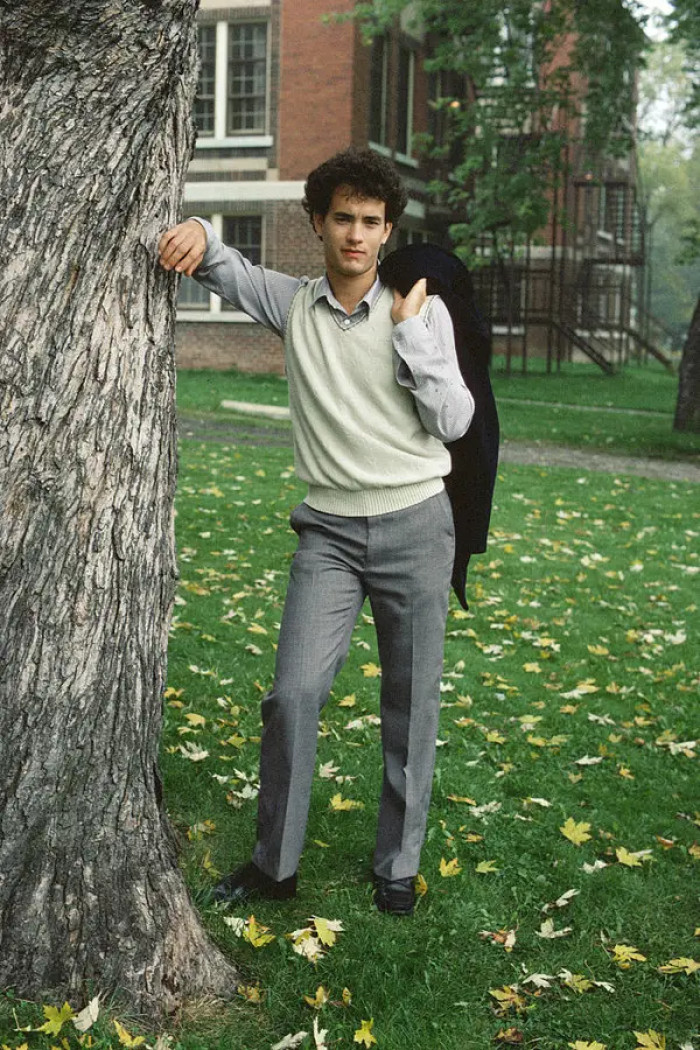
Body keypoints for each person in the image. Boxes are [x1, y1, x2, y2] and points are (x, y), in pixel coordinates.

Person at [158, 148, 474, 916]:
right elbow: (222, 264)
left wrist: (410, 337)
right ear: (317, 224)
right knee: (293, 694)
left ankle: (397, 865)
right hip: (328, 534)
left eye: (371, 222)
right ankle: (276, 863)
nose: (357, 236)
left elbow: (456, 420)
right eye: (343, 219)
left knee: (411, 705)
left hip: (416, 524)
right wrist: (198, 226)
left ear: (388, 229)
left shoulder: (421, 309)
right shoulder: (293, 303)